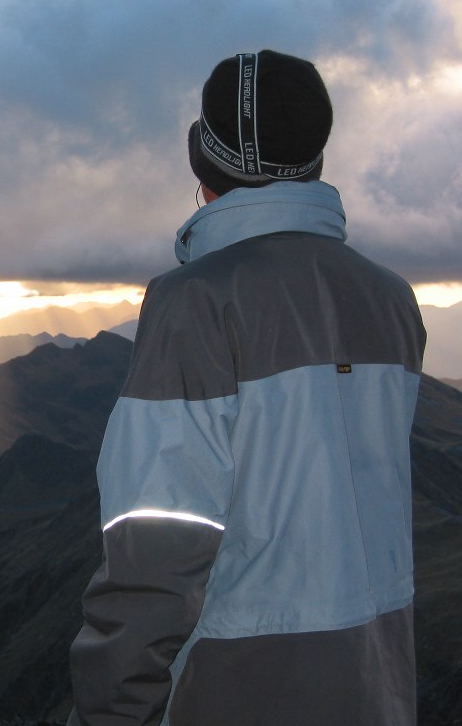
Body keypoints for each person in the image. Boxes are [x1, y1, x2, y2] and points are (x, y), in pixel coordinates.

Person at [67, 50, 427, 726]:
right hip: (377, 680)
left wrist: (111, 710)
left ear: (205, 167)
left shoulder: (194, 302)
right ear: (316, 160)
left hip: (232, 685)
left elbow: (156, 547)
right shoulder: (391, 300)